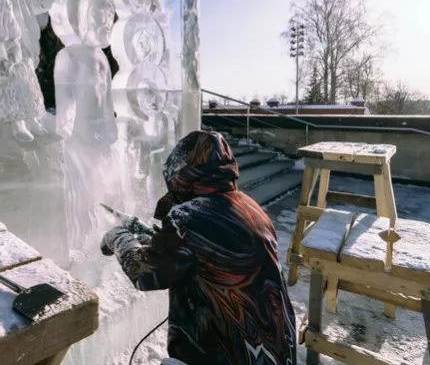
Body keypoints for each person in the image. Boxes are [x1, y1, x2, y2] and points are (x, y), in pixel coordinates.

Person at [101, 130, 297, 365]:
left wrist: (118, 236)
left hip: (226, 354)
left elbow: (145, 273)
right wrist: (150, 236)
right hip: (274, 354)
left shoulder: (190, 218)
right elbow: (200, 253)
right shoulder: (249, 207)